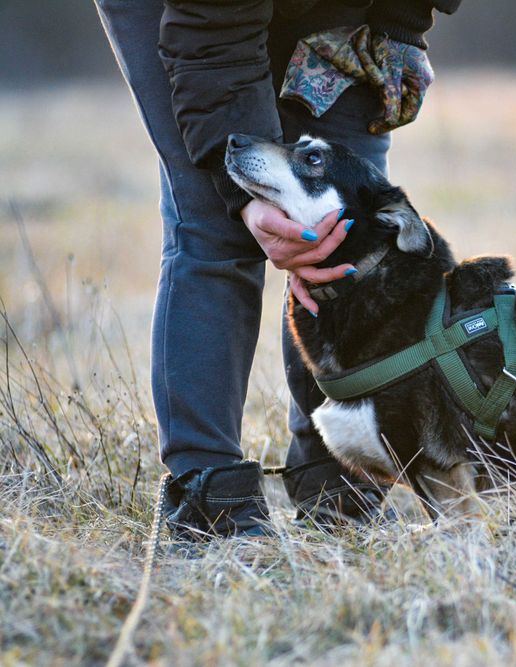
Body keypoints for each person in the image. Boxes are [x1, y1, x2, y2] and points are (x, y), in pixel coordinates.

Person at [94, 0, 460, 538]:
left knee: (348, 224)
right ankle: (209, 500)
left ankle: (339, 486)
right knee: (216, 229)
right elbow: (212, 40)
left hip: (341, 7)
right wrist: (245, 198)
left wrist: (400, 24)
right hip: (198, 19)